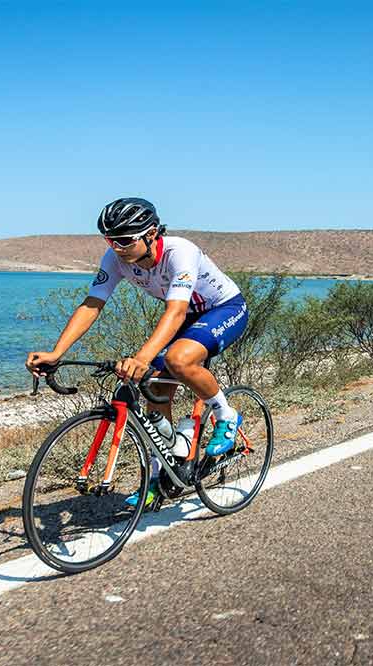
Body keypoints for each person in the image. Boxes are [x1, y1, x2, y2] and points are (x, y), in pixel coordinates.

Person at [26, 197, 248, 507]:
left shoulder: (179, 252)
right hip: (185, 319)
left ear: (151, 233)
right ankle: (163, 474)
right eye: (110, 240)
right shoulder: (116, 258)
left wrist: (142, 358)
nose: (117, 248)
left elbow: (176, 311)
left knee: (177, 359)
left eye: (125, 240)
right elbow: (92, 304)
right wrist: (56, 352)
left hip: (222, 309)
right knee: (154, 389)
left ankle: (227, 415)